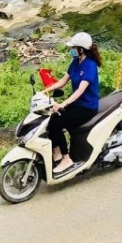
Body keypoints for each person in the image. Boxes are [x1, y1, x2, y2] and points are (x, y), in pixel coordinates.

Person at [45, 33, 102, 176]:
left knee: (58, 124)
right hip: (78, 103)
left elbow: (81, 90)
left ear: (81, 49)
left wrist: (63, 104)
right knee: (52, 119)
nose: (71, 50)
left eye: (74, 48)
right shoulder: (76, 62)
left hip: (87, 106)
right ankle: (57, 153)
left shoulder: (90, 65)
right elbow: (62, 81)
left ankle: (66, 159)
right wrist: (45, 91)